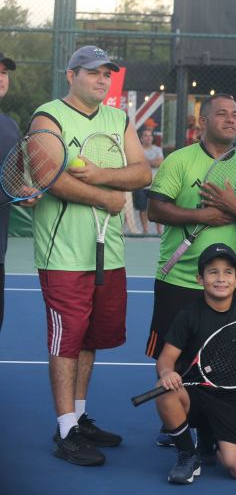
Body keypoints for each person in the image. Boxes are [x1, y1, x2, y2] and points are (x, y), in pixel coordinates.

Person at [28, 45, 151, 466]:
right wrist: (106, 197)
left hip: (108, 252)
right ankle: (65, 430)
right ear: (71, 75)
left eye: (107, 74)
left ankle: (78, 418)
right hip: (63, 254)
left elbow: (142, 172)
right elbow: (51, 178)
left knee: (91, 339)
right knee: (67, 339)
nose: (102, 79)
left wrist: (99, 175)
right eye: (93, 72)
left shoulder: (118, 119)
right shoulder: (47, 117)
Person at [146, 93, 236, 447]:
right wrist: (202, 215)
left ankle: (225, 422)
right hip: (178, 280)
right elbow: (156, 210)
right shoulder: (179, 161)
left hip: (227, 285)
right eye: (221, 114)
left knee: (229, 358)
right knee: (174, 358)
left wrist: (235, 208)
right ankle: (175, 421)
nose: (231, 120)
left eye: (235, 114)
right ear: (202, 122)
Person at [155, 243, 236, 484]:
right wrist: (167, 372)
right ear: (200, 278)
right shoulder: (189, 315)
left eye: (227, 272)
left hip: (230, 401)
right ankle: (187, 454)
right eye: (213, 272)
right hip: (195, 395)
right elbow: (166, 358)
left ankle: (212, 436)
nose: (221, 278)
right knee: (165, 391)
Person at [0, 52, 39, 334]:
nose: (1, 78)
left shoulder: (10, 126)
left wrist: (21, 192)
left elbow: (9, 182)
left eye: (4, 72)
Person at [132, 126, 163, 234]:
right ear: (141, 138)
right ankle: (145, 230)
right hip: (141, 185)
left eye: (150, 136)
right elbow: (136, 164)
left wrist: (144, 162)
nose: (148, 138)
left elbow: (159, 162)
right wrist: (150, 162)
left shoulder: (158, 150)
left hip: (155, 184)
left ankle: (159, 231)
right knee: (142, 209)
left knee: (157, 209)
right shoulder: (137, 150)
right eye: (146, 136)